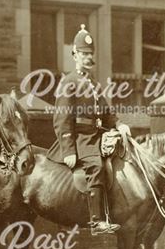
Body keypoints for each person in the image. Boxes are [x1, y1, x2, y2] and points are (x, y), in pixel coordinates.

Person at [48, 24, 130, 235]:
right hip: (80, 138)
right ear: (74, 55)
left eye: (90, 54)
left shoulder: (92, 83)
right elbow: (62, 119)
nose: (87, 57)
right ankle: (97, 221)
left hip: (95, 135)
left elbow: (106, 112)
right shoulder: (69, 82)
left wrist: (119, 125)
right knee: (95, 165)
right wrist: (68, 150)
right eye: (83, 53)